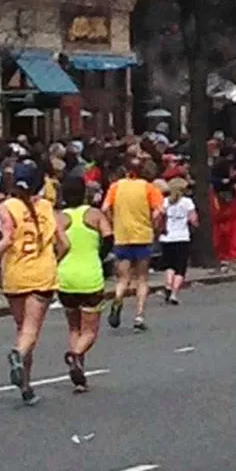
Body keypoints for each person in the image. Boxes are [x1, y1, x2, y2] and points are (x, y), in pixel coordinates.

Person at [0, 163, 69, 405]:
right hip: (42, 274)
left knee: (22, 329)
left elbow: (7, 239)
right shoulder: (47, 207)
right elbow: (65, 244)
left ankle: (26, 386)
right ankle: (18, 357)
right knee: (30, 331)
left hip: (15, 273)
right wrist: (53, 260)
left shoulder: (6, 207)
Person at [56, 176, 113, 393]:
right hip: (90, 275)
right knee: (89, 331)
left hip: (66, 277)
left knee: (74, 326)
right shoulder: (94, 214)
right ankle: (76, 355)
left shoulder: (59, 218)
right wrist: (99, 256)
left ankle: (79, 376)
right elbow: (109, 239)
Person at [103, 157, 164, 332]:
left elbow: (105, 208)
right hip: (143, 236)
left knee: (122, 277)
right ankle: (139, 315)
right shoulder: (149, 188)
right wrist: (154, 225)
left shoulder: (116, 187)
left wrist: (113, 222)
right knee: (142, 278)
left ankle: (118, 298)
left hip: (122, 236)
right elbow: (159, 211)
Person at [159, 177, 197, 305]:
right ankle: (174, 293)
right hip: (182, 237)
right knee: (180, 267)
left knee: (169, 265)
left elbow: (159, 217)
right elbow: (193, 220)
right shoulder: (187, 202)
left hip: (167, 237)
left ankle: (168, 285)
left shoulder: (164, 202)